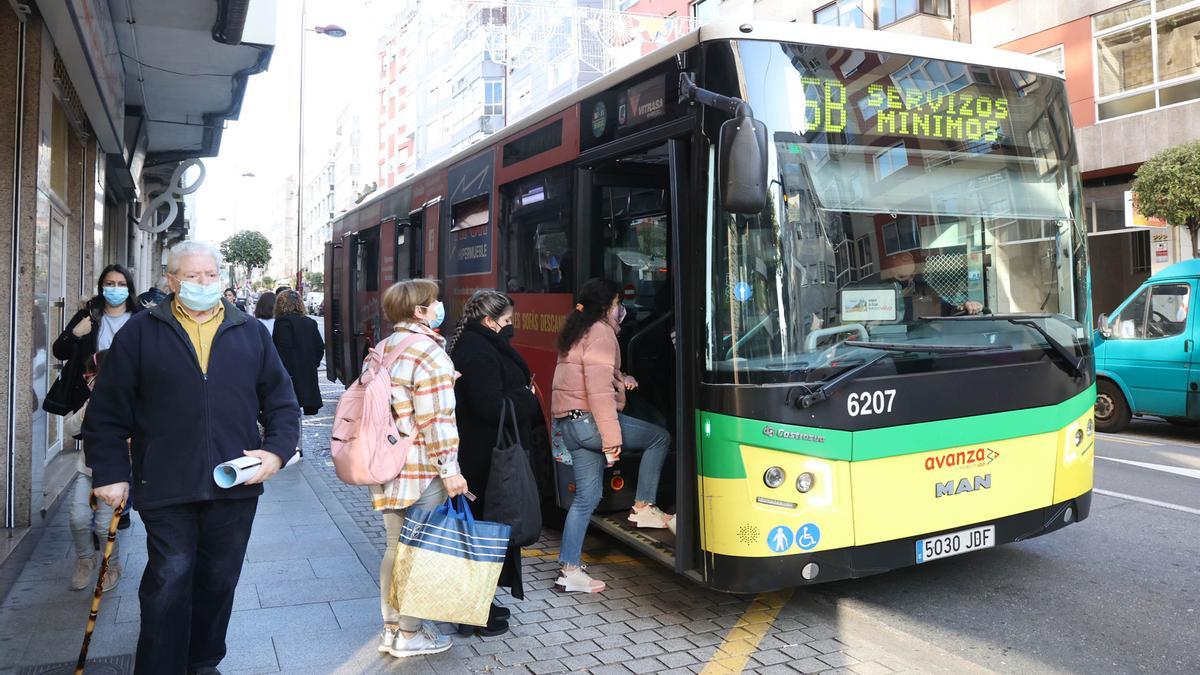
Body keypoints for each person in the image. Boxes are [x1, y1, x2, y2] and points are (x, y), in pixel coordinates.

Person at [84, 240, 299, 675]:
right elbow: (107, 413)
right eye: (192, 276)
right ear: (171, 280)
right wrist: (110, 472)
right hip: (165, 481)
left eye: (210, 275)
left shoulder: (250, 330)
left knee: (219, 580)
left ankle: (202, 662)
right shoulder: (141, 332)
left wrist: (276, 453)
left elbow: (281, 401)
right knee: (170, 577)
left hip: (235, 482)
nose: (203, 283)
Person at [551, 278, 673, 594]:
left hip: (570, 424)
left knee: (586, 498)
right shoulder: (603, 334)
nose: (623, 309)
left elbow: (589, 375)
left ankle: (569, 571)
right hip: (590, 423)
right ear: (607, 307)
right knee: (658, 437)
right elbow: (597, 392)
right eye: (619, 303)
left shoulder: (578, 329)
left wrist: (622, 378)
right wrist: (611, 438)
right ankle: (644, 506)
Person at [371, 278, 467, 659]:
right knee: (420, 551)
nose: (439, 306)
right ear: (419, 311)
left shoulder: (383, 348)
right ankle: (410, 633)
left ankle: (392, 628)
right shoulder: (428, 353)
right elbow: (437, 420)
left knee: (396, 547)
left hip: (385, 463)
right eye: (435, 301)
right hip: (421, 466)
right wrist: (451, 470)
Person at [446, 289, 539, 636]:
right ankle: (473, 612)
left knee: (484, 530)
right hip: (486, 460)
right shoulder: (478, 351)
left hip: (486, 456)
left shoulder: (476, 343)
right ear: (489, 321)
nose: (511, 327)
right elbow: (490, 406)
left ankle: (479, 604)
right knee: (484, 531)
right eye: (508, 321)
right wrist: (526, 398)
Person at [63, 351, 123, 592]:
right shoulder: (90, 403)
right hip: (86, 470)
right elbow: (69, 428)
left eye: (91, 376)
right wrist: (86, 413)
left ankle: (112, 566)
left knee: (103, 526)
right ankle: (85, 559)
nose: (87, 381)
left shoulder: (126, 402)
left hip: (112, 476)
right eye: (87, 377)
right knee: (77, 518)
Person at [53, 264, 141, 415]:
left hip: (131, 398)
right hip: (92, 399)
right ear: (101, 287)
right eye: (109, 284)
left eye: (121, 284)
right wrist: (75, 334)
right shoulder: (87, 316)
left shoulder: (141, 318)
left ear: (129, 288)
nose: (115, 288)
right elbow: (59, 352)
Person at [273, 289, 325, 417]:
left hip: (290, 377)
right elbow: (319, 347)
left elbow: (282, 351)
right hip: (307, 375)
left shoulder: (282, 322)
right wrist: (312, 364)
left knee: (288, 414)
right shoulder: (310, 322)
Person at [889, 251, 982, 320]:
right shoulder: (880, 293)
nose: (907, 280)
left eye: (910, 275)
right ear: (890, 273)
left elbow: (946, 310)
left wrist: (965, 307)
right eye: (901, 277)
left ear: (914, 274)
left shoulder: (924, 291)